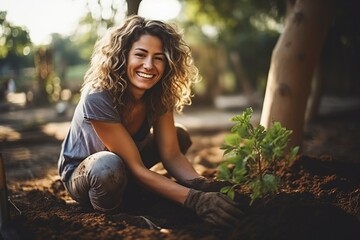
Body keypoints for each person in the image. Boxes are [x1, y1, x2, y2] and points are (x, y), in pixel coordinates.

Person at [58, 15, 242, 227]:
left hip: (125, 165)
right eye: (141, 54)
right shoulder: (98, 96)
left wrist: (203, 186)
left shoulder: (160, 92)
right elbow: (135, 167)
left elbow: (171, 154)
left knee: (178, 135)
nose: (149, 65)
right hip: (86, 176)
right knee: (108, 167)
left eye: (159, 58)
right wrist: (195, 200)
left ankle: (138, 192)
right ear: (123, 56)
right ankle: (115, 216)